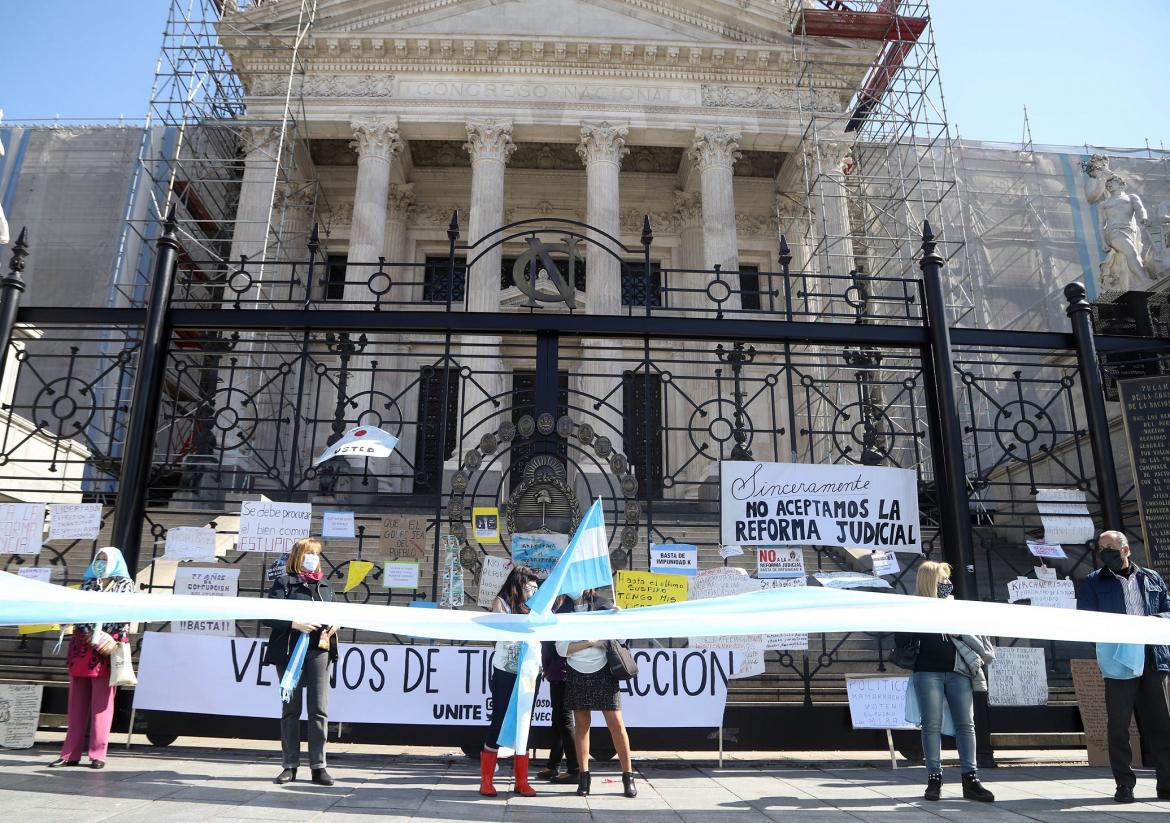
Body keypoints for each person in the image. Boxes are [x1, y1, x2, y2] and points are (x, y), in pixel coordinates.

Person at [1076, 530, 1170, 804]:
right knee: (1118, 725)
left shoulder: (1151, 577)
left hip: (1153, 657)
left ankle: (1166, 784)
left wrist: (1152, 620)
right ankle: (1124, 785)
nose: (1105, 551)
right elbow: (1086, 617)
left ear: (1126, 549)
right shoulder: (1094, 581)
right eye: (1101, 547)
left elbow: (1167, 608)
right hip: (1118, 659)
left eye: (1110, 547)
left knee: (1161, 724)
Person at [893, 561, 995, 803]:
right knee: (931, 724)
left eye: (948, 580)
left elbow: (979, 638)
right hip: (927, 671)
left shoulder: (957, 608)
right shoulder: (914, 608)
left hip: (958, 671)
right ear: (930, 582)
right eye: (943, 580)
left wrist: (958, 632)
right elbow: (901, 639)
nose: (948, 584)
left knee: (966, 724)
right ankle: (934, 778)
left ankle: (970, 778)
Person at [262, 537, 339, 786]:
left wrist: (336, 623)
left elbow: (337, 613)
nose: (313, 558)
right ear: (298, 556)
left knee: (319, 710)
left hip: (319, 650)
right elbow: (268, 616)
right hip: (289, 651)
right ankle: (290, 765)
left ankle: (319, 766)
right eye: (309, 553)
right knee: (291, 709)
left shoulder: (325, 585)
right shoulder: (283, 583)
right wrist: (294, 624)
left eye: (316, 554)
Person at [51, 547, 135, 769]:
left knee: (102, 704)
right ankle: (69, 753)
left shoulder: (125, 585)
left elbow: (125, 614)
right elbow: (78, 611)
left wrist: (108, 638)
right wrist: (88, 633)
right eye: (98, 558)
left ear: (115, 562)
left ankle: (98, 754)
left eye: (105, 559)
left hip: (106, 649)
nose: (100, 562)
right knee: (76, 703)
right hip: (83, 647)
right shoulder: (88, 583)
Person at [556, 588, 637, 799]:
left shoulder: (603, 603)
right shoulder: (563, 609)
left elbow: (621, 637)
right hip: (576, 671)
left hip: (603, 670)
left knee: (616, 724)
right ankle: (584, 777)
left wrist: (619, 618)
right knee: (582, 725)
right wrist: (591, 643)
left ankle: (628, 776)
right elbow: (561, 649)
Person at [480, 565, 542, 797]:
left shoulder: (537, 608)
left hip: (529, 672)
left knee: (524, 722)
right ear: (518, 586)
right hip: (506, 670)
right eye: (530, 588)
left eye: (536, 589)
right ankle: (486, 780)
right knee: (499, 721)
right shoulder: (501, 603)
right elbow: (500, 631)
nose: (533, 593)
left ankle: (521, 780)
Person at [538, 594, 580, 783]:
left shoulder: (567, 609)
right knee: (558, 720)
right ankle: (553, 765)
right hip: (555, 671)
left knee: (564, 719)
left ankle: (574, 768)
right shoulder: (556, 607)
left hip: (564, 671)